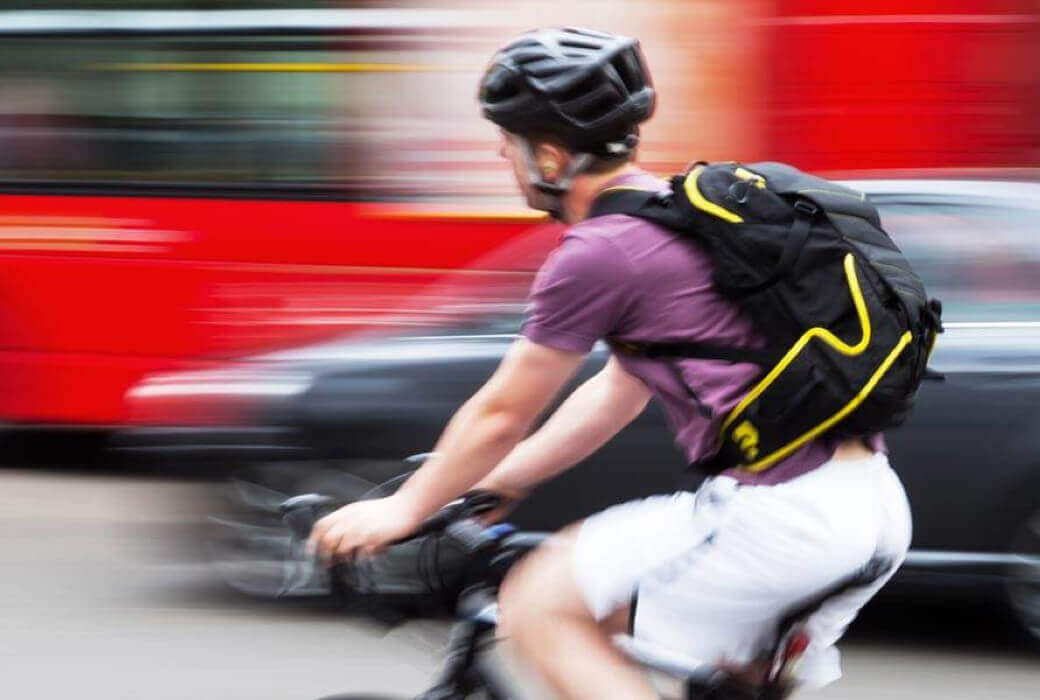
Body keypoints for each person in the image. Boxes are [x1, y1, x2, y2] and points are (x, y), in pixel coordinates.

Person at [309, 27, 912, 699]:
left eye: (508, 144)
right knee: (678, 655)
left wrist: (405, 508)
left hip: (784, 516)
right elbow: (619, 389)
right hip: (868, 510)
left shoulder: (599, 252)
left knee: (538, 600)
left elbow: (504, 409)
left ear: (549, 155)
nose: (503, 157)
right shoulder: (675, 216)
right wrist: (502, 482)